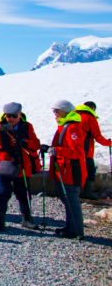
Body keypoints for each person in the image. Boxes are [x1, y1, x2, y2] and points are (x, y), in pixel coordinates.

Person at [0, 103, 41, 231]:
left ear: (20, 114)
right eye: (8, 116)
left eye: (14, 116)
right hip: (3, 166)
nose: (11, 118)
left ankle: (27, 220)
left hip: (22, 166)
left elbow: (36, 144)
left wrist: (25, 143)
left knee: (23, 193)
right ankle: (0, 222)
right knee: (2, 193)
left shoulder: (27, 126)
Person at [48, 100, 87, 239]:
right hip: (65, 170)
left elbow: (75, 152)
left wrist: (55, 150)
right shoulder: (65, 126)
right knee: (67, 199)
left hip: (71, 171)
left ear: (66, 110)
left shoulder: (72, 128)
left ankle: (76, 229)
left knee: (71, 200)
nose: (55, 113)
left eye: (57, 110)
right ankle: (71, 226)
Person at [76, 101, 111, 200]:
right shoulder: (90, 118)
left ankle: (74, 193)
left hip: (73, 149)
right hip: (86, 150)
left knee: (76, 170)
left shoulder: (74, 115)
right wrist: (109, 143)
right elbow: (98, 136)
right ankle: (87, 193)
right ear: (92, 108)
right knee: (90, 170)